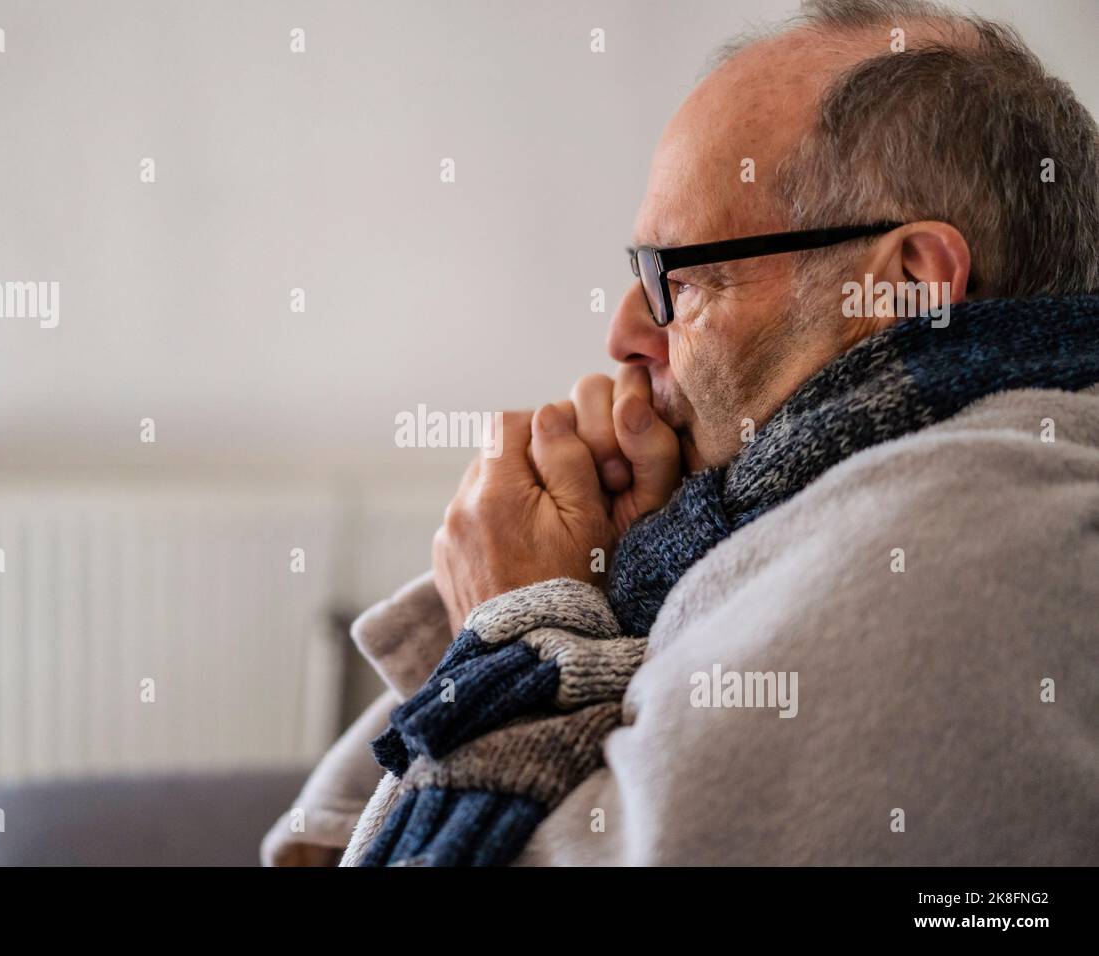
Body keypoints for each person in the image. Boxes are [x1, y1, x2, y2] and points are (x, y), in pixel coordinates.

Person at [263, 0, 1099, 866]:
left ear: (910, 285)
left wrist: (513, 628)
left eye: (680, 277)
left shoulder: (948, 552)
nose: (624, 334)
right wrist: (608, 583)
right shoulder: (778, 503)